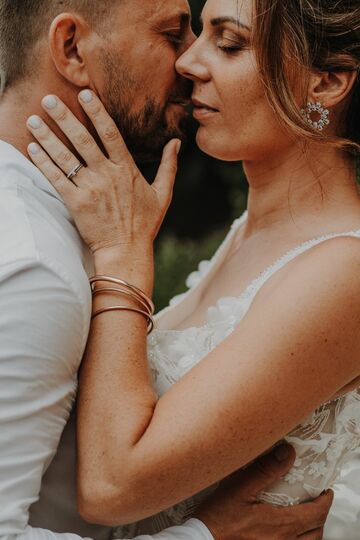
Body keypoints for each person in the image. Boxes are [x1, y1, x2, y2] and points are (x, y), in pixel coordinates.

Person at [25, 0, 360, 538]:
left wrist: (123, 257)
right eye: (198, 33)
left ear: (326, 82)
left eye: (229, 44)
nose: (189, 62)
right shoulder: (247, 232)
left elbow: (112, 489)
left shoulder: (346, 271)